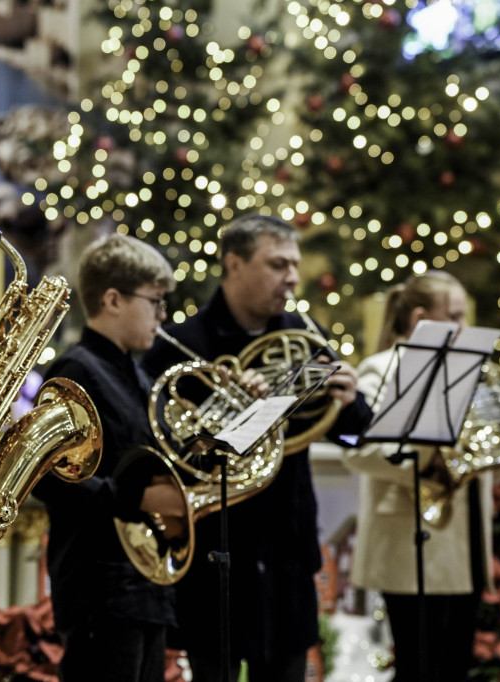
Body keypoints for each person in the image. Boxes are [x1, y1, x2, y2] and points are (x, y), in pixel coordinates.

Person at [141, 213, 373, 682]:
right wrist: (230, 413)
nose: (292, 277)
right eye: (277, 264)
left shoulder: (308, 342)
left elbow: (353, 436)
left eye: (294, 265)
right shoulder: (182, 346)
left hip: (287, 546)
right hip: (218, 552)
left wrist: (350, 405)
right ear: (234, 264)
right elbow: (164, 449)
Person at [341, 270, 500, 682]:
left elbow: (484, 461)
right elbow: (362, 450)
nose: (465, 328)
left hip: (464, 542)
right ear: (422, 317)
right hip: (410, 542)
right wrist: (432, 465)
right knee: (418, 666)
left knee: (454, 666)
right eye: (455, 316)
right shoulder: (382, 368)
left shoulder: (468, 371)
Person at [31, 233, 185, 682]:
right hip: (99, 583)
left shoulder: (135, 371)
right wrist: (137, 500)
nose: (162, 315)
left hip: (143, 580)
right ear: (113, 299)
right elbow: (48, 477)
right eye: (155, 301)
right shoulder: (76, 370)